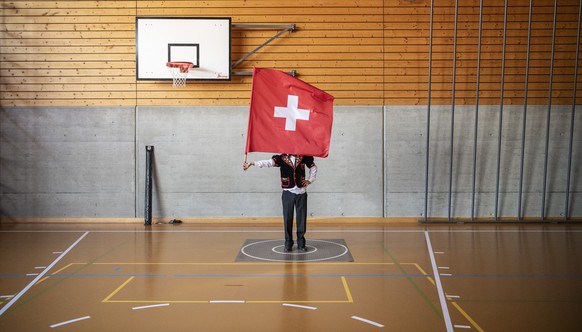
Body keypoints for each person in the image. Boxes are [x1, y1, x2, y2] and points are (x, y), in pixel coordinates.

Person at [243, 154, 317, 252]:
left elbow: (313, 167)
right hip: (287, 193)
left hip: (301, 193)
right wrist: (253, 163)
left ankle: (301, 243)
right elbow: (268, 163)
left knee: (301, 218)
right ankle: (288, 243)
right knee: (287, 218)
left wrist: (310, 180)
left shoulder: (304, 157)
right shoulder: (281, 158)